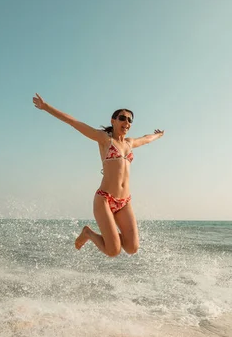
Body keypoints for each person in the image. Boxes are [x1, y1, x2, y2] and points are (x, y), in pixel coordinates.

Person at [33, 93, 164, 257]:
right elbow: (73, 122)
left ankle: (111, 238)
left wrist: (158, 135)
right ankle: (88, 233)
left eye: (130, 120)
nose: (126, 122)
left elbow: (146, 139)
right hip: (105, 199)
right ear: (113, 121)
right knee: (113, 251)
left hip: (124, 201)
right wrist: (46, 107)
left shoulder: (130, 143)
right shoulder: (104, 140)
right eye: (122, 118)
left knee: (132, 248)